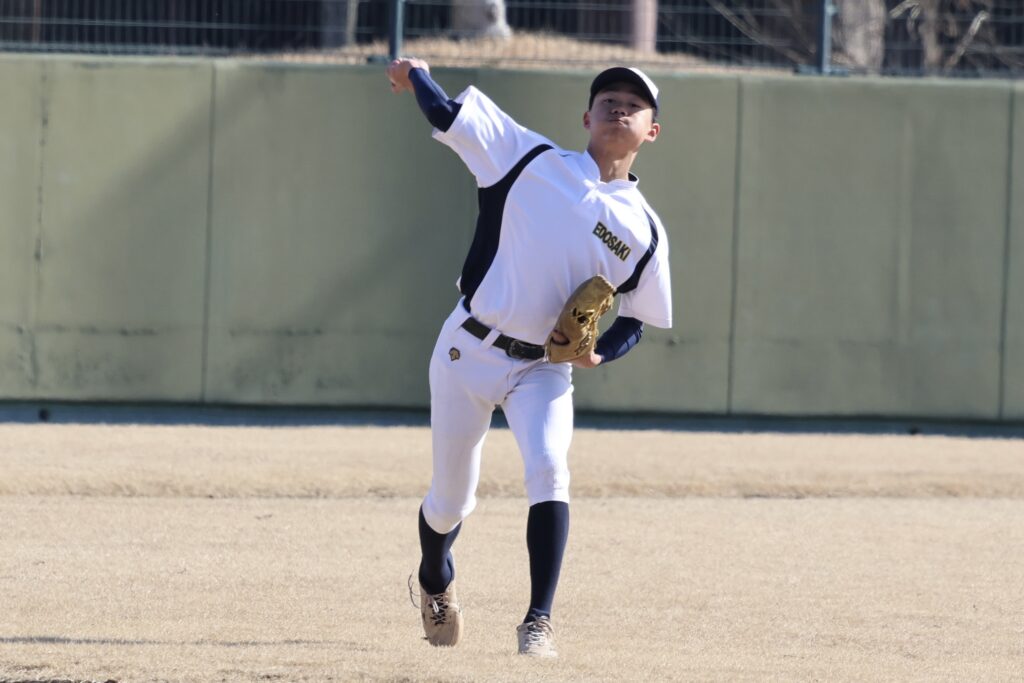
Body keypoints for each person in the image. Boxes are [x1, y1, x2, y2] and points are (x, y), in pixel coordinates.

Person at [387, 58, 673, 658]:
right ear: (587, 117)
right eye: (608, 99)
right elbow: (450, 115)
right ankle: (435, 576)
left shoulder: (644, 231)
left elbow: (638, 318)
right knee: (451, 500)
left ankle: (537, 621)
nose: (619, 108)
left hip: (544, 367)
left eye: (633, 104)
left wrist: (599, 354)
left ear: (651, 131)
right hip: (468, 347)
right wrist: (416, 76)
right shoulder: (531, 158)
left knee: (550, 471)